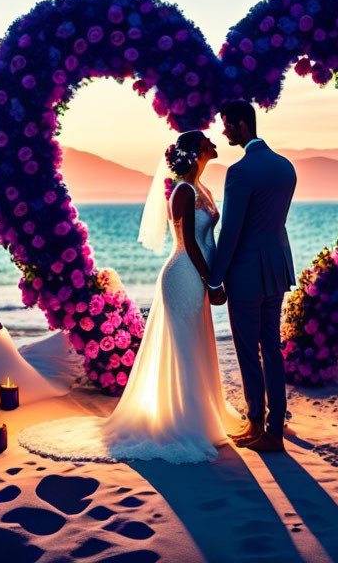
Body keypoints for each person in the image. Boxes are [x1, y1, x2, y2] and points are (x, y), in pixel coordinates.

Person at [17, 131, 241, 463]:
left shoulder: (203, 189)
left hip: (200, 274)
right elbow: (189, 243)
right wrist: (211, 282)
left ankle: (201, 416)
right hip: (185, 275)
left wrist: (218, 274)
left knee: (197, 342)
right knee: (184, 345)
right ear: (196, 152)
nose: (213, 143)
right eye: (206, 142)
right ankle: (184, 422)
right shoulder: (182, 191)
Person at [208, 100, 297, 453]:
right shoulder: (285, 167)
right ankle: (273, 428)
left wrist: (215, 279)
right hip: (276, 269)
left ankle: (257, 423)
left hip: (246, 273)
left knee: (248, 350)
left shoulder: (240, 171)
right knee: (271, 348)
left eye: (228, 124)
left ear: (244, 125)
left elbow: (231, 231)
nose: (225, 131)